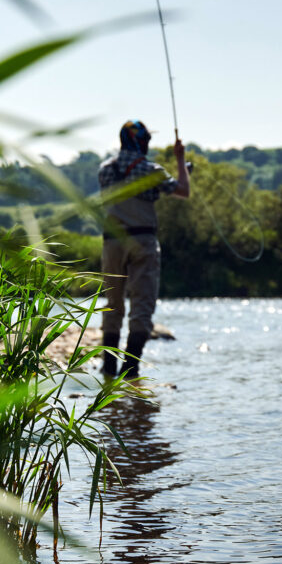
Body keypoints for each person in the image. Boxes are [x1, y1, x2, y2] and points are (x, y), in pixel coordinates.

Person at [98, 120, 190, 378]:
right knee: (142, 305)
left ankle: (107, 368)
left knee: (112, 304)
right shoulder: (152, 171)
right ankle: (131, 369)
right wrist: (181, 162)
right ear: (141, 142)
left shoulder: (105, 170)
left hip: (112, 243)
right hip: (142, 242)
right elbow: (182, 190)